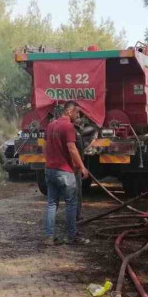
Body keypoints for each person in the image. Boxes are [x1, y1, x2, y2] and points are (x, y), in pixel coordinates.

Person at [42, 101, 90, 246]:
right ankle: (72, 236)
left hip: (49, 170)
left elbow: (44, 146)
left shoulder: (51, 125)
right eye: (77, 113)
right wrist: (82, 167)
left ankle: (49, 237)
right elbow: (72, 148)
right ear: (69, 112)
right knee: (71, 204)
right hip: (64, 172)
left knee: (51, 204)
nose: (79, 116)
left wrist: (49, 161)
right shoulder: (68, 127)